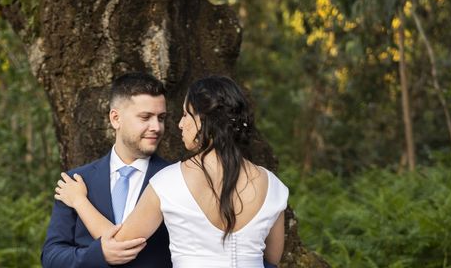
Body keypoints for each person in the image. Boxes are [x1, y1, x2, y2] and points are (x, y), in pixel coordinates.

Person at [55, 75, 288, 268]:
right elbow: (270, 261)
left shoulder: (169, 182)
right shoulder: (275, 187)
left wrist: (79, 201)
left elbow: (119, 243)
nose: (179, 124)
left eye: (186, 115)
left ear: (204, 121)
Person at [41, 72, 172, 267]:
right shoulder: (75, 181)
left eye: (161, 118)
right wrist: (98, 254)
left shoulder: (175, 178)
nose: (156, 127)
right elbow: (51, 257)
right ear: (115, 118)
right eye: (145, 117)